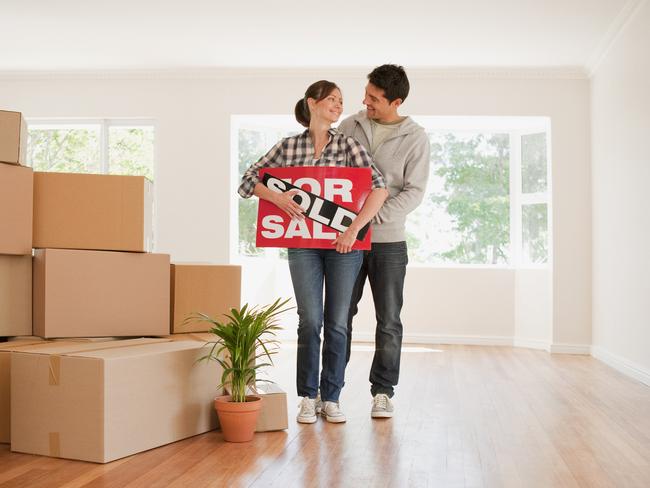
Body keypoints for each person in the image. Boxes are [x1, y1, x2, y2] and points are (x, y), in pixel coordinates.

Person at [238, 80, 388, 424]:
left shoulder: (349, 146)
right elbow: (248, 181)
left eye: (340, 101)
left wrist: (353, 230)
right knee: (310, 322)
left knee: (337, 324)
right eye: (332, 100)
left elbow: (379, 189)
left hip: (343, 247)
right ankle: (308, 396)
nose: (339, 106)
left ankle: (331, 397)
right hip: (303, 245)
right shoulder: (288, 147)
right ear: (313, 103)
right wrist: (276, 196)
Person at [338, 65, 430, 418]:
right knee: (340, 315)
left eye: (374, 98)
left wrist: (368, 218)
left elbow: (414, 192)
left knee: (389, 319)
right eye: (366, 94)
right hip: (346, 239)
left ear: (396, 101)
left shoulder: (415, 137)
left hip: (388, 242)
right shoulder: (350, 126)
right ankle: (330, 389)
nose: (365, 102)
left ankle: (383, 391)